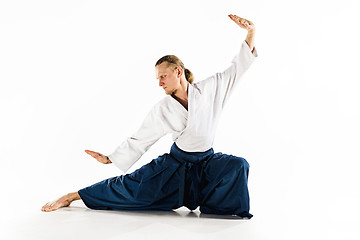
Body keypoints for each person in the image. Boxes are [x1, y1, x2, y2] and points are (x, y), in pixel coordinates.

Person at [41, 14, 258, 218]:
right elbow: (140, 139)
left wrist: (250, 32)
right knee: (130, 187)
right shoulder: (163, 108)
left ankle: (211, 205)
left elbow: (236, 68)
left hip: (207, 163)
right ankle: (73, 196)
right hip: (176, 167)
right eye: (158, 78)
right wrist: (110, 159)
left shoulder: (211, 89)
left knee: (238, 166)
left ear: (178, 72)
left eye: (163, 76)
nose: (160, 82)